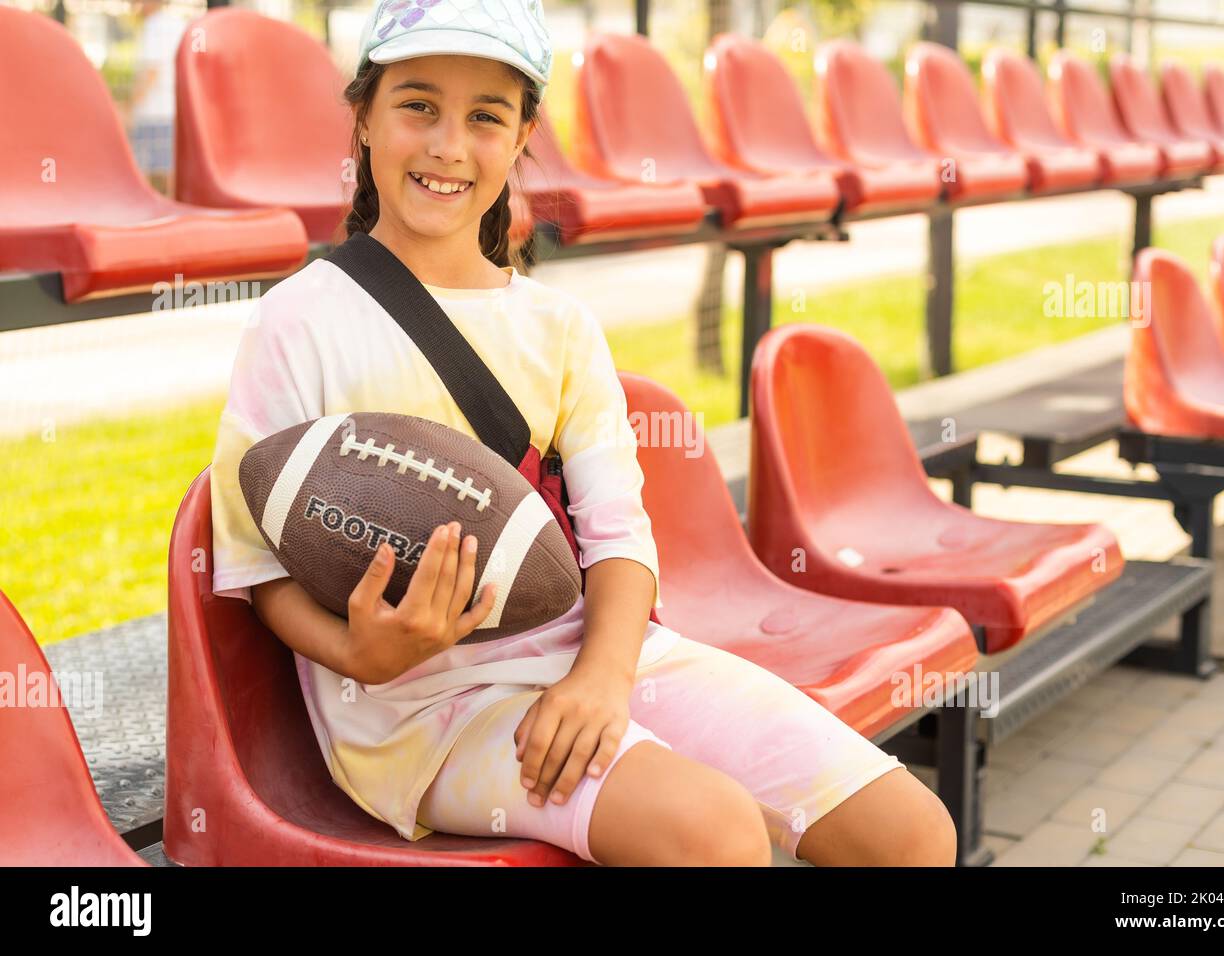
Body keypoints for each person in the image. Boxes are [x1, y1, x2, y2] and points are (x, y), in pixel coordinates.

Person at [208, 0, 957, 866]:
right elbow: (257, 568)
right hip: (424, 711)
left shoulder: (560, 328)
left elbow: (620, 540)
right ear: (365, 119)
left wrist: (603, 680)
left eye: (486, 116)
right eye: (418, 105)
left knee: (911, 834)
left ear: (522, 135)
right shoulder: (295, 323)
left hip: (599, 656)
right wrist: (358, 652)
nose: (449, 144)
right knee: (715, 833)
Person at [127, 0, 189, 193]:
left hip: (152, 113)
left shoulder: (154, 27)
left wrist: (130, 107)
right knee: (168, 172)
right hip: (171, 111)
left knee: (146, 175)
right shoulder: (178, 25)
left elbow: (151, 73)